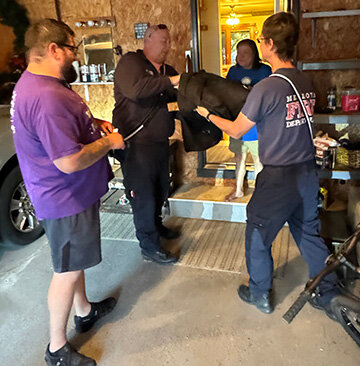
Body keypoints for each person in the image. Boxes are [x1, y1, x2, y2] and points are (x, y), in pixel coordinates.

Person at [196, 12, 339, 317]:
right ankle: (329, 292)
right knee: (308, 233)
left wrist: (206, 114)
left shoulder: (267, 88)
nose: (260, 44)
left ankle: (260, 293)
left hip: (278, 178)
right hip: (306, 173)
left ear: (270, 44)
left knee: (258, 235)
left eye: (261, 39)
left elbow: (235, 129)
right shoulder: (304, 79)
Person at [11, 19, 125, 366]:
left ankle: (85, 311)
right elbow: (68, 161)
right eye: (72, 49)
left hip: (63, 194)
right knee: (67, 271)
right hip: (64, 196)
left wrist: (94, 126)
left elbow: (64, 133)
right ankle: (57, 349)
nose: (75, 56)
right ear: (53, 49)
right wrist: (109, 142)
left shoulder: (36, 83)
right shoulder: (46, 96)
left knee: (74, 264)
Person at [112, 24, 181, 264]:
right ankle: (149, 246)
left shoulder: (167, 70)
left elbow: (176, 97)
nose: (167, 46)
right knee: (143, 196)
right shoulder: (131, 63)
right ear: (147, 40)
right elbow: (136, 89)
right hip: (136, 146)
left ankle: (157, 226)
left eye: (168, 41)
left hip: (160, 143)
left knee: (161, 189)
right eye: (162, 41)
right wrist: (172, 80)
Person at [225, 39, 271, 201]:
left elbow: (268, 96)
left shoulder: (265, 71)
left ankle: (260, 193)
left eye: (246, 53)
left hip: (257, 125)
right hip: (237, 122)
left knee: (259, 160)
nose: (241, 56)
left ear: (254, 55)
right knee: (239, 158)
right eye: (238, 52)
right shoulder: (232, 72)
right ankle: (238, 190)